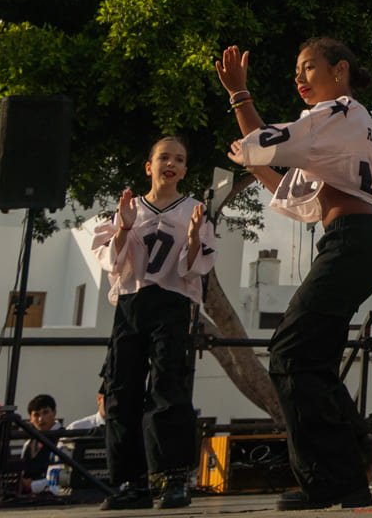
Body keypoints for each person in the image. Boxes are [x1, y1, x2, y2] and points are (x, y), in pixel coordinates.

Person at [219, 38, 372, 510]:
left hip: (355, 241)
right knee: (310, 357)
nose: (299, 78)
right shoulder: (340, 126)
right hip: (356, 241)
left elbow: (264, 141)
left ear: (340, 70)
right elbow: (296, 194)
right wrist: (254, 159)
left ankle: (328, 476)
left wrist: (239, 94)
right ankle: (353, 456)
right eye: (297, 70)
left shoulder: (337, 112)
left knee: (290, 352)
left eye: (309, 67)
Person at [90, 136, 216, 511]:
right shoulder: (129, 209)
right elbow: (112, 261)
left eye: (179, 159)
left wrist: (192, 239)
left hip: (171, 303)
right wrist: (124, 228)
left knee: (168, 386)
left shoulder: (193, 210)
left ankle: (173, 478)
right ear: (149, 166)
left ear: (185, 169)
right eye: (164, 157)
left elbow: (196, 266)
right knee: (122, 388)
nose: (170, 164)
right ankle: (131, 482)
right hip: (132, 302)